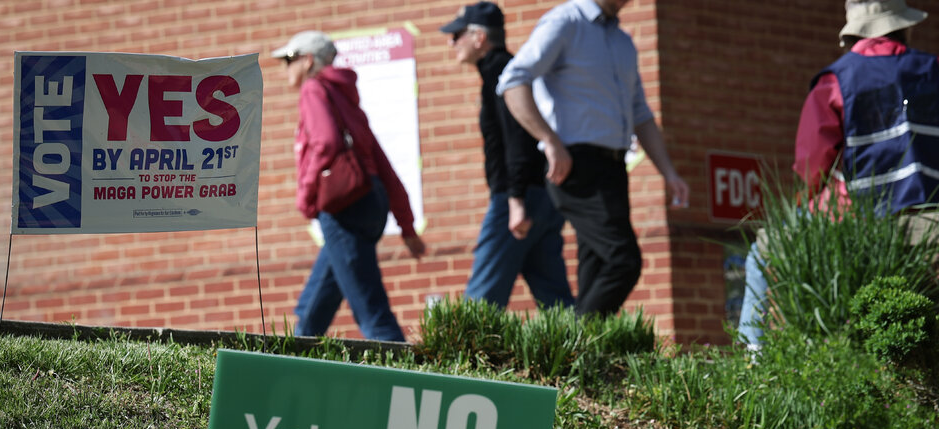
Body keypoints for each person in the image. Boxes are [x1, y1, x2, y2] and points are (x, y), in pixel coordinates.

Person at [736, 0, 939, 348]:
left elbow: (812, 162)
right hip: (937, 209)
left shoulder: (834, 82)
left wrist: (808, 195)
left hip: (853, 215)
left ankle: (753, 354)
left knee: (761, 254)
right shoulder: (935, 72)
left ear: (853, 35)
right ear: (904, 27)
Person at [496, 0, 690, 317]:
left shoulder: (622, 42)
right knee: (623, 260)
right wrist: (549, 140)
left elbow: (639, 113)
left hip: (614, 167)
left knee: (597, 266)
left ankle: (583, 358)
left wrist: (669, 173)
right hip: (575, 165)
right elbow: (513, 80)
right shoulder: (565, 23)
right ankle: (577, 344)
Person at [273, 30, 427, 341]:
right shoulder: (345, 99)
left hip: (345, 207)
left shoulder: (313, 89)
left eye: (289, 60)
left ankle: (404, 374)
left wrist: (306, 197)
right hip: (371, 201)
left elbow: (326, 142)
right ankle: (292, 359)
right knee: (313, 307)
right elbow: (382, 164)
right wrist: (407, 226)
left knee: (371, 311)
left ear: (308, 61)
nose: (284, 68)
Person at [441, 2, 574, 309]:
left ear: (479, 38)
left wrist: (514, 201)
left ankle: (464, 359)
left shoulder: (502, 75)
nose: (452, 42)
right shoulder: (511, 71)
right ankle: (587, 354)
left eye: (457, 35)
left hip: (517, 200)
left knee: (479, 306)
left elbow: (518, 141)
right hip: (544, 196)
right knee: (558, 304)